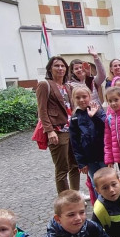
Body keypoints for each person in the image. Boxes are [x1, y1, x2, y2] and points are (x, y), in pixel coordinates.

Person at [36, 56, 80, 194]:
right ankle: (65, 199)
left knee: (75, 165)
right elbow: (42, 110)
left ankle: (75, 195)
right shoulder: (45, 85)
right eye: (56, 66)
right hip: (58, 131)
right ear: (50, 69)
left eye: (62, 66)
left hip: (72, 130)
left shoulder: (68, 86)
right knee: (62, 168)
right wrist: (49, 131)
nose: (60, 68)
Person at [68, 85, 106, 202]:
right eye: (78, 97)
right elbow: (75, 142)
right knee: (95, 182)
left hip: (103, 154)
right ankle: (101, 205)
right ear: (74, 99)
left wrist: (94, 116)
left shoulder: (98, 111)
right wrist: (81, 162)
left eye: (84, 96)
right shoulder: (74, 118)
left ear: (89, 96)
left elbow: (105, 128)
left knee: (107, 179)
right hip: (89, 157)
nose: (82, 100)